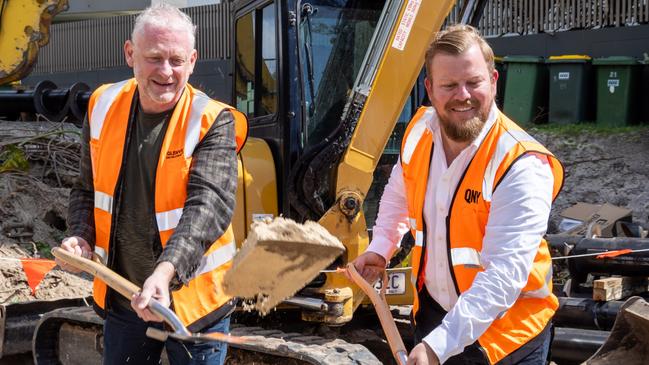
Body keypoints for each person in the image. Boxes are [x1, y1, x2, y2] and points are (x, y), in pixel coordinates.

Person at [351, 25, 564, 365]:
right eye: (449, 85)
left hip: (504, 332)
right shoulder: (420, 132)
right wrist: (381, 248)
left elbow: (503, 275)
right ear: (430, 89)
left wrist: (438, 346)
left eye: (474, 82)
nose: (462, 95)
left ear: (493, 81)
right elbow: (399, 191)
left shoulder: (521, 164)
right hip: (437, 315)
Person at [56, 4, 247, 365]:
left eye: (176, 61)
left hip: (194, 303)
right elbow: (86, 187)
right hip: (126, 297)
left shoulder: (212, 120)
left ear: (193, 60)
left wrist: (165, 271)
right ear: (130, 53)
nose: (166, 72)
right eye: (154, 58)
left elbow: (209, 207)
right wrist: (81, 235)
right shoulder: (102, 105)